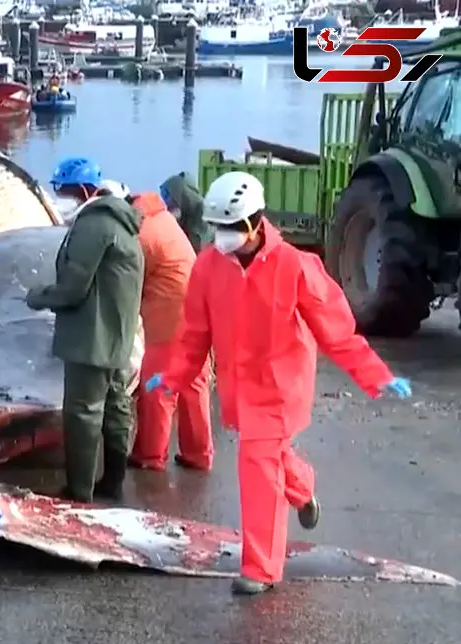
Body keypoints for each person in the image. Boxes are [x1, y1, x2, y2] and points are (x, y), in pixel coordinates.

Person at [144, 171, 412, 596]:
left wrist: (376, 374)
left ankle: (262, 567)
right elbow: (195, 333)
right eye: (216, 227)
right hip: (240, 389)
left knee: (257, 467)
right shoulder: (208, 269)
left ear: (254, 223)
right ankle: (303, 491)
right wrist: (174, 376)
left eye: (230, 228)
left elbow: (336, 332)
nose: (222, 236)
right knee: (271, 457)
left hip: (280, 390)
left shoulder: (297, 267)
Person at [24, 157, 144, 503]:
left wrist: (38, 298)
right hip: (118, 338)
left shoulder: (94, 226)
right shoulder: (124, 227)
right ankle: (114, 480)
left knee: (83, 412)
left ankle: (79, 491)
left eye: (65, 191)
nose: (60, 197)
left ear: (86, 191)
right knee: (116, 406)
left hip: (91, 340)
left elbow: (73, 287)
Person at [122, 182, 214, 472]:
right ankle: (198, 454)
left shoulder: (141, 234)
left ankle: (150, 455)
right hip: (197, 313)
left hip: (169, 320)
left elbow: (128, 281)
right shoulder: (164, 221)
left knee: (157, 385)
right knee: (193, 384)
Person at [160, 172, 208, 252]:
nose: (164, 201)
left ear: (178, 194)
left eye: (166, 196)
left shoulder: (204, 212)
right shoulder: (180, 213)